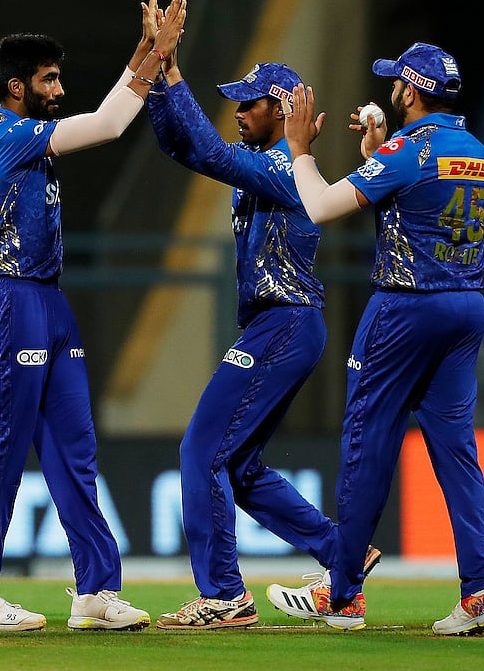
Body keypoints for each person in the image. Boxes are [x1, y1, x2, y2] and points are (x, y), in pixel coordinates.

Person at [0, 0, 185, 632]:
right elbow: (107, 124)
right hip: (6, 298)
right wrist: (153, 59)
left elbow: (100, 117)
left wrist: (145, 52)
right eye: (48, 79)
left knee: (75, 452)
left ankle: (96, 592)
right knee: (2, 450)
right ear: (17, 87)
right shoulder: (4, 134)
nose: (59, 88)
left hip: (47, 299)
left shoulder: (24, 134)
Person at [266, 42, 484, 636]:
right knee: (456, 452)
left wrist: (300, 149)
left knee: (367, 442)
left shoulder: (410, 151)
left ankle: (343, 594)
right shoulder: (476, 151)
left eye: (397, 82)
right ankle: (481, 589)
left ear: (411, 90)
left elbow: (321, 206)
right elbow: (419, 202)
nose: (393, 89)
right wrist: (379, 149)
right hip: (466, 308)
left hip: (405, 309)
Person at [147, 53, 382, 629]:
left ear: (280, 110)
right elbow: (181, 147)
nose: (237, 111)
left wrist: (174, 76)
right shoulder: (262, 162)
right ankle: (342, 554)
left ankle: (224, 595)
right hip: (279, 326)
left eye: (247, 102)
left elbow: (208, 152)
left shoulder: (285, 167)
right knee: (240, 468)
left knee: (201, 451)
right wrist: (154, 80)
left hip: (285, 322)